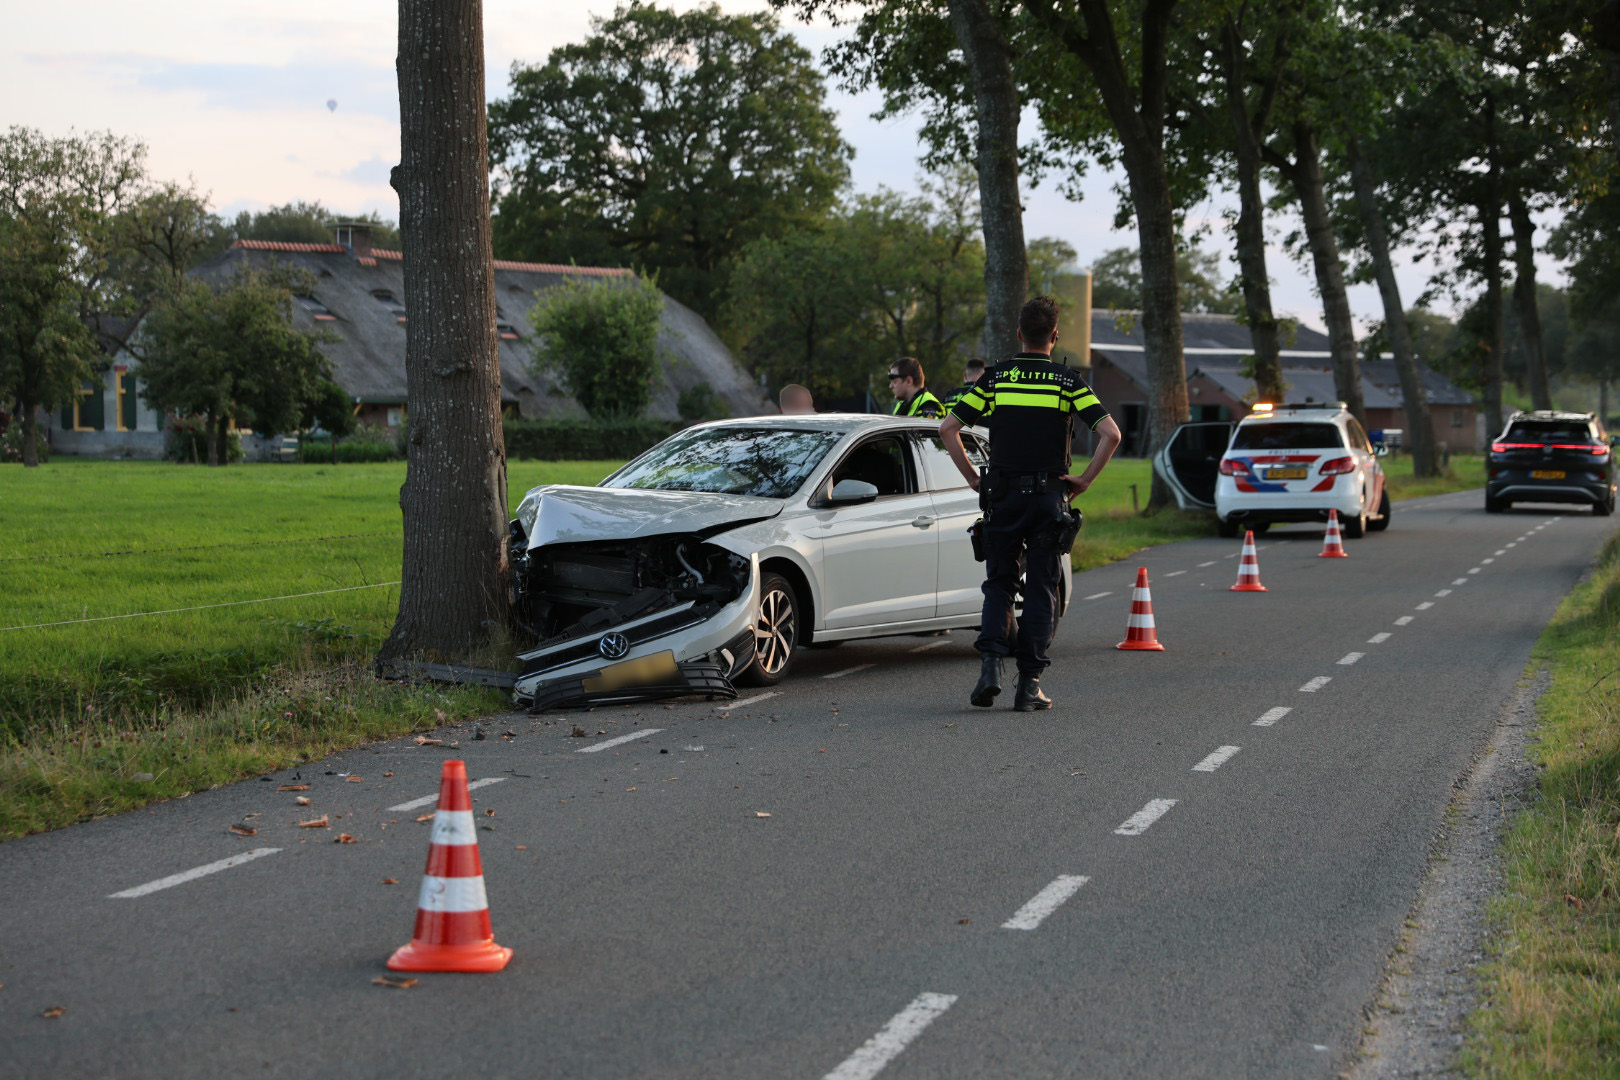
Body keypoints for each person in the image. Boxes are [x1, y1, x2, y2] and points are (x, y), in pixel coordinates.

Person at [940, 296, 1123, 712]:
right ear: (1055, 336)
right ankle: (1029, 684)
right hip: (1047, 496)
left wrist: (972, 477)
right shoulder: (1067, 382)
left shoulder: (995, 379)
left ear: (1019, 334)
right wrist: (1085, 481)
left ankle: (989, 668)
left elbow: (949, 427)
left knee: (999, 584)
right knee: (1042, 588)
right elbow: (1110, 434)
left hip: (1002, 495)